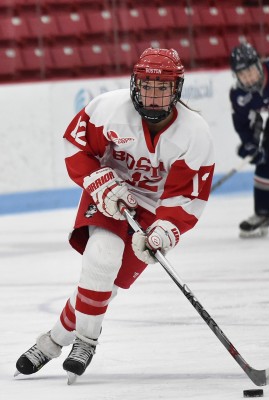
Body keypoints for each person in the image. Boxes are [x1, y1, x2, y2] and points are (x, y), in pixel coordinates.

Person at [15, 48, 215, 383]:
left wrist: (166, 230)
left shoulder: (194, 134)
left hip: (154, 209)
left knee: (102, 285)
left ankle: (51, 342)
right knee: (101, 257)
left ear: (176, 89)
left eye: (162, 87)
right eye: (147, 86)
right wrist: (97, 179)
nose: (153, 95)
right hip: (110, 192)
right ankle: (86, 341)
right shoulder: (109, 109)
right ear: (135, 84)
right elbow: (76, 145)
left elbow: (185, 196)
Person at [229, 42, 269, 238]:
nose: (248, 78)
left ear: (260, 65)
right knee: (268, 162)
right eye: (242, 74)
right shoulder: (240, 95)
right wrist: (249, 144)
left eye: (250, 71)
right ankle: (262, 214)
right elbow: (243, 123)